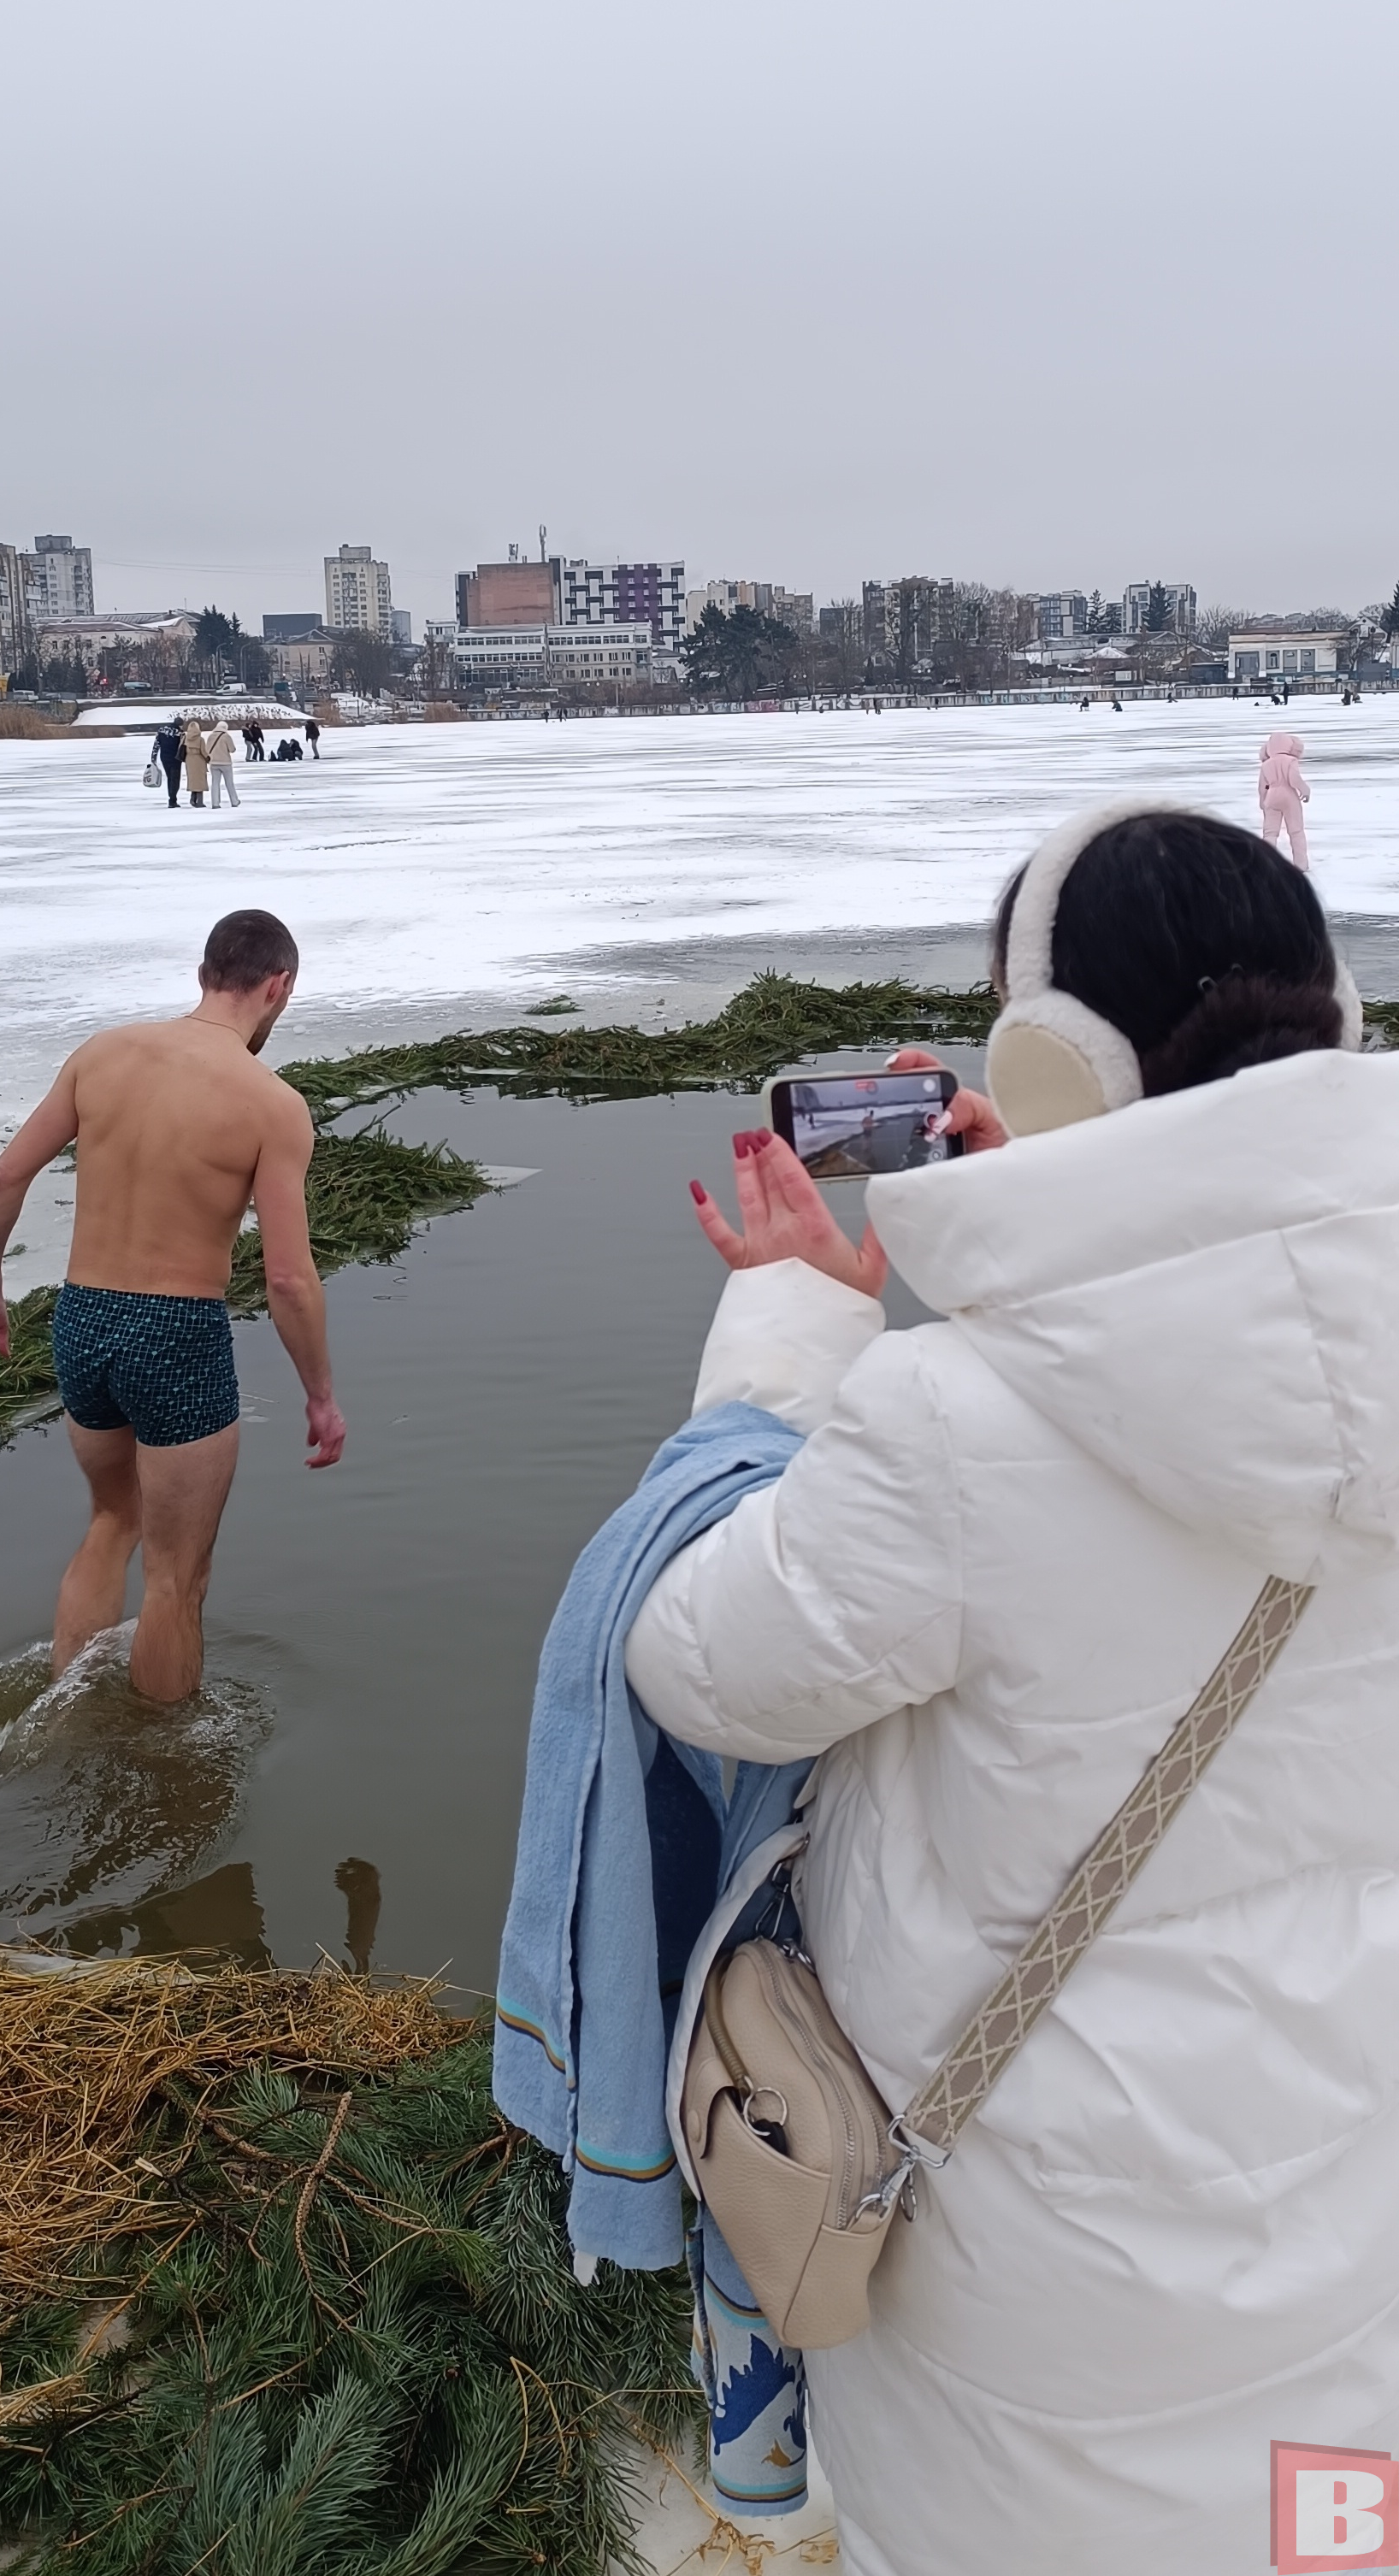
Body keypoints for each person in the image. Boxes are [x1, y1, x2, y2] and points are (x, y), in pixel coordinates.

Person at [626, 806, 1397, 2573]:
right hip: (1347, 2182)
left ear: (1041, 1059)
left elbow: (702, 1664)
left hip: (1040, 2263)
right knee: (1314, 2526)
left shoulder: (957, 1422)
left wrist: (805, 1334)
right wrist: (1054, 1215)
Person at [0, 909, 345, 1705]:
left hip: (83, 1317)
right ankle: (165, 1764)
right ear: (280, 987)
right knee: (177, 1577)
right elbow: (290, 1280)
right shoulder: (270, 1104)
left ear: (205, 973)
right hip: (176, 1332)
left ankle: (63, 1713)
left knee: (112, 1522)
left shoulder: (102, 1055)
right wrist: (321, 1396)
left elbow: (2, 1179)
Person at [1260, 724, 1310, 868]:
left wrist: (1263, 800)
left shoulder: (1266, 764)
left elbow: (1263, 786)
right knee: (1296, 831)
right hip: (1288, 796)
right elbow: (1294, 779)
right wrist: (1305, 790)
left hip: (1272, 796)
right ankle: (1301, 864)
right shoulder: (1291, 761)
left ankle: (1266, 863)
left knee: (1270, 833)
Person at [204, 716, 239, 810]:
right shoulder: (226, 736)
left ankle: (215, 803)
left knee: (215, 783)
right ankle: (234, 801)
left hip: (214, 763)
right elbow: (232, 749)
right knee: (229, 783)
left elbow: (207, 750)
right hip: (225, 763)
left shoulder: (210, 736)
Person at [151, 716, 184, 807]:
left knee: (170, 778)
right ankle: (172, 800)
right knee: (175, 779)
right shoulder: (180, 733)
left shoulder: (161, 731)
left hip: (164, 758)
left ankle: (172, 799)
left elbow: (156, 745)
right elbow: (183, 747)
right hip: (176, 759)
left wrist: (153, 758)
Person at [181, 717, 209, 808]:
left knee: (193, 780)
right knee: (200, 781)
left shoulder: (185, 738)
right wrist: (209, 759)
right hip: (199, 760)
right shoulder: (200, 739)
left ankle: (192, 799)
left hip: (189, 760)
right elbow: (203, 752)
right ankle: (200, 801)